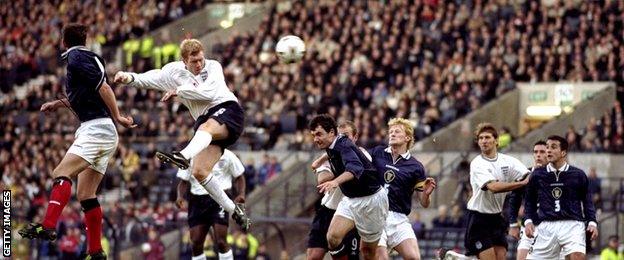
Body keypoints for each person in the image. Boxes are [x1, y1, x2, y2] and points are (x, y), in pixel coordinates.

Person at [19, 23, 136, 260]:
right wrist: (58, 103)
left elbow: (103, 88)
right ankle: (95, 251)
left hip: (96, 129)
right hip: (102, 131)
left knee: (60, 172)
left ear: (64, 41)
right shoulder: (87, 57)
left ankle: (49, 225)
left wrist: (119, 117)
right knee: (86, 194)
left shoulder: (75, 57)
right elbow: (87, 94)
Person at [114, 39, 250, 230]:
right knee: (200, 172)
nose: (199, 64)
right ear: (184, 61)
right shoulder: (174, 71)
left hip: (228, 110)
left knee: (205, 129)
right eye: (194, 61)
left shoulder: (213, 67)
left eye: (201, 59)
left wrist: (179, 91)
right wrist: (129, 77)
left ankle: (182, 156)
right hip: (206, 121)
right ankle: (234, 211)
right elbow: (154, 78)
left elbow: (208, 93)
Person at [443, 123, 530, 260]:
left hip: (497, 218)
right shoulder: (478, 163)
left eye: (487, 137)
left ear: (496, 141)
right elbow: (493, 187)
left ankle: (460, 259)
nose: (483, 141)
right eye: (481, 138)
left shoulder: (507, 161)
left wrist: (536, 172)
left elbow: (527, 175)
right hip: (479, 219)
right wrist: (520, 183)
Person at [309, 114, 388, 260]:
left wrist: (335, 182)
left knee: (368, 253)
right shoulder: (333, 144)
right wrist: (320, 160)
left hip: (372, 200)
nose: (315, 139)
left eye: (319, 134)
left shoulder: (344, 144)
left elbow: (355, 168)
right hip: (351, 200)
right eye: (313, 135)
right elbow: (334, 151)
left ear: (332, 133)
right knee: (332, 238)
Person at [524, 135, 598, 260]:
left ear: (563, 152)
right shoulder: (537, 174)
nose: (548, 150)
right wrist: (528, 221)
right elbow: (529, 201)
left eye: (553, 147)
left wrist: (592, 222)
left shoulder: (578, 174)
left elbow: (587, 201)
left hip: (573, 225)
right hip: (546, 226)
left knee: (577, 256)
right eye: (547, 147)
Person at [371, 118, 436, 260]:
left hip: (399, 218)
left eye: (397, 131)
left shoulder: (416, 167)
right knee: (381, 258)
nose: (392, 134)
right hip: (375, 214)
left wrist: (426, 193)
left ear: (407, 137)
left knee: (414, 258)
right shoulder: (377, 152)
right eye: (391, 132)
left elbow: (424, 203)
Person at [176, 149, 246, 260]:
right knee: (196, 242)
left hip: (219, 198)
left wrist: (241, 194)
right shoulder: (191, 155)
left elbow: (239, 176)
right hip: (197, 201)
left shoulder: (228, 155)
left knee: (221, 241)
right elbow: (183, 181)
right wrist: (180, 196)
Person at [307, 121, 362, 260]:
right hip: (328, 210)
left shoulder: (363, 155)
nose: (342, 139)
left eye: (346, 135)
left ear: (355, 138)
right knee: (313, 256)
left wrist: (351, 168)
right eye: (340, 135)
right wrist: (347, 169)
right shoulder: (328, 156)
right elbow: (322, 179)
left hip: (351, 213)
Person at [506, 140, 548, 260]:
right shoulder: (525, 174)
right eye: (536, 152)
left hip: (550, 225)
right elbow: (514, 199)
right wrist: (513, 223)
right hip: (529, 225)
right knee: (521, 257)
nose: (538, 155)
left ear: (548, 154)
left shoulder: (555, 176)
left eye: (542, 152)